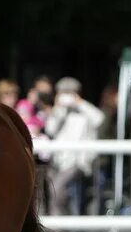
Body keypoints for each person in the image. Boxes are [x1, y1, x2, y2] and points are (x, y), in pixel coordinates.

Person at [43, 77, 104, 215]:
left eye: (70, 93)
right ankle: (59, 226)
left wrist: (79, 103)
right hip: (58, 160)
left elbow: (99, 119)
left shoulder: (85, 111)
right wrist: (58, 108)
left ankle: (60, 226)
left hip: (77, 161)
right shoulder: (59, 112)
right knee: (55, 192)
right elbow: (50, 129)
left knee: (57, 188)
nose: (66, 96)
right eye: (63, 92)